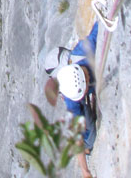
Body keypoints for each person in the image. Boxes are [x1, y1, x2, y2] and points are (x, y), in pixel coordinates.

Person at [47, 22, 98, 178]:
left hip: (88, 71)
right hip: (80, 100)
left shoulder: (83, 52)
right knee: (88, 137)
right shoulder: (70, 98)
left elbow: (100, 25)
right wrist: (85, 171)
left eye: (87, 77)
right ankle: (89, 147)